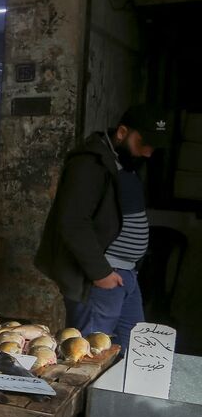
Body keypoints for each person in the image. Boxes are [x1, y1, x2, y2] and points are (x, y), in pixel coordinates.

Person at [35, 104, 168, 349]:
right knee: (87, 354)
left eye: (153, 146)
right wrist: (100, 273)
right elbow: (73, 221)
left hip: (126, 276)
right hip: (101, 278)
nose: (148, 153)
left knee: (135, 354)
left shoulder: (128, 164)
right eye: (143, 143)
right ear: (122, 132)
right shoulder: (89, 163)